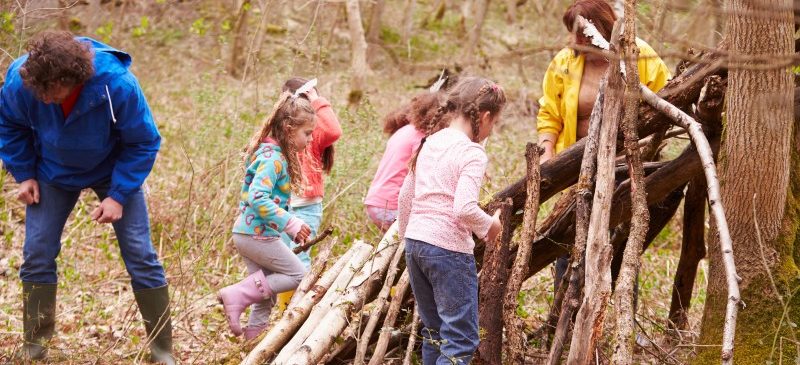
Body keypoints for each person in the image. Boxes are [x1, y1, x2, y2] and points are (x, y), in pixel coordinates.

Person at [0, 31, 174, 363]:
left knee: (140, 254)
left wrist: (119, 195)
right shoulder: (24, 80)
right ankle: (34, 349)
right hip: (51, 171)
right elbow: (9, 124)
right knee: (37, 253)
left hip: (113, 171)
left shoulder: (117, 85)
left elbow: (144, 141)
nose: (45, 97)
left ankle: (162, 352)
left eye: (52, 90)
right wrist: (24, 173)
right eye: (39, 90)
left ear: (71, 78)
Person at [536, 0, 671, 289]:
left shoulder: (641, 56)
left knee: (619, 242)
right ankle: (565, 312)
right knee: (570, 238)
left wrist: (644, 147)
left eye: (585, 33)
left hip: (626, 170)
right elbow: (549, 112)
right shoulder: (564, 62)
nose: (580, 41)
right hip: (575, 170)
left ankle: (618, 319)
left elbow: (666, 104)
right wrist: (547, 151)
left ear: (604, 26)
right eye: (575, 34)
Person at [397, 77, 506, 365]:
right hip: (448, 250)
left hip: (416, 245)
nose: (489, 131)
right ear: (484, 117)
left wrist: (407, 236)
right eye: (493, 124)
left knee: (435, 332)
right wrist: (490, 226)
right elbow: (464, 208)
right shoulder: (471, 152)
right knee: (460, 339)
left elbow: (406, 194)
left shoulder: (430, 141)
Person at [217, 86, 316, 341]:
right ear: (288, 129)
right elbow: (257, 197)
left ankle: (252, 346)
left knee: (265, 295)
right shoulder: (274, 158)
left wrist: (285, 226)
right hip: (256, 235)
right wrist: (291, 223)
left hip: (250, 233)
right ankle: (237, 294)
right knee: (297, 274)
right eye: (307, 133)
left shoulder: (273, 155)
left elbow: (267, 202)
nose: (311, 139)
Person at [278, 77, 341, 268]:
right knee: (281, 256)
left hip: (306, 207)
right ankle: (283, 297)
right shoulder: (281, 132)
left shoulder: (312, 135)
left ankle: (298, 297)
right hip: (282, 207)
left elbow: (334, 131)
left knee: (299, 256)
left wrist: (317, 101)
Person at [364, 91, 444, 232]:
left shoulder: (405, 130)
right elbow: (423, 177)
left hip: (376, 201)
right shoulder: (422, 139)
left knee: (396, 247)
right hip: (392, 205)